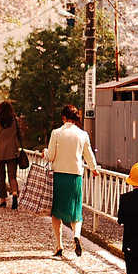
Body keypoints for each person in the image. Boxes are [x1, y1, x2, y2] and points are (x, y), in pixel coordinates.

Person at [43, 104, 98, 258]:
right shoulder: (83, 134)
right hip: (75, 176)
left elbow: (51, 156)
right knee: (76, 211)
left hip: (59, 175)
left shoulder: (56, 133)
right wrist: (94, 169)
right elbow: (88, 154)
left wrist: (45, 153)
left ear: (64, 118)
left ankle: (59, 246)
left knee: (57, 212)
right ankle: (77, 236)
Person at [0, 100, 23, 209]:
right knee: (12, 177)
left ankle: (3, 200)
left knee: (1, 177)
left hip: (0, 152)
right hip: (13, 152)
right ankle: (14, 193)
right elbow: (20, 135)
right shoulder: (15, 121)